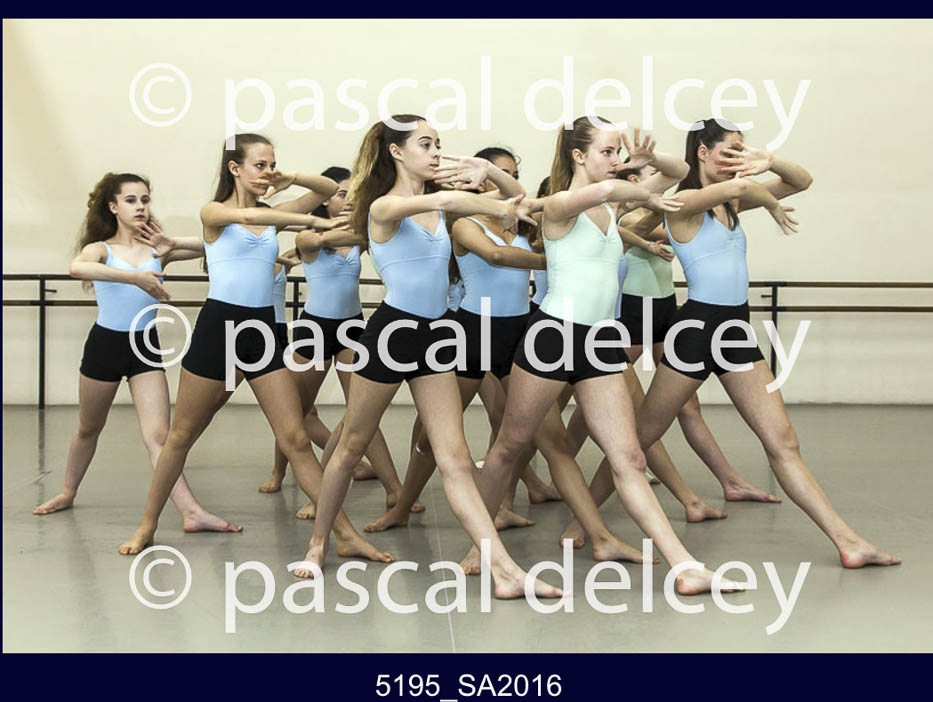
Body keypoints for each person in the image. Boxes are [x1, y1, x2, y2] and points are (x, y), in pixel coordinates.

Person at [469, 118, 741, 595]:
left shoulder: (612, 207)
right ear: (578, 156)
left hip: (600, 343)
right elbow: (601, 191)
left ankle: (685, 567)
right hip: (552, 337)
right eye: (607, 152)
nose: (616, 161)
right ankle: (481, 548)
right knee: (510, 446)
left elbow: (678, 172)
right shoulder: (560, 205)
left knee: (629, 458)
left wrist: (649, 161)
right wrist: (636, 188)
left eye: (619, 152)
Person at [295, 114, 561, 599]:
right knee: (351, 444)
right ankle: (319, 545)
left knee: (455, 459)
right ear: (396, 152)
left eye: (438, 143)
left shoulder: (439, 204)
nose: (436, 152)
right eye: (425, 144)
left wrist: (489, 172)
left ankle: (503, 568)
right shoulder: (385, 205)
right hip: (393, 331)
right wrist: (491, 197)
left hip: (436, 335)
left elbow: (516, 196)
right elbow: (448, 200)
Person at [635, 118, 900, 568]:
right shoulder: (684, 202)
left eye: (743, 150)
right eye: (730, 150)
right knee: (639, 440)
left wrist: (770, 160)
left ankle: (848, 542)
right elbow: (737, 188)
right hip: (695, 330)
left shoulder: (733, 202)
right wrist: (766, 198)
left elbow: (802, 181)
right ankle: (586, 525)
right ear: (702, 152)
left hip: (735, 330)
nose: (739, 158)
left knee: (784, 442)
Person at [118, 133, 392, 565]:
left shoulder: (272, 215)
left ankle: (344, 535)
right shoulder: (214, 213)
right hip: (219, 328)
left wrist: (291, 178)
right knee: (181, 435)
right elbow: (246, 214)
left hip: (261, 331)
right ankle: (148, 524)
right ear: (235, 168)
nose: (268, 172)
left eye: (272, 164)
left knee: (295, 438)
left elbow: (325, 189)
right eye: (260, 165)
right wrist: (308, 222)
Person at [34, 173, 239, 536]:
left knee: (159, 436)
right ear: (113, 207)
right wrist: (134, 278)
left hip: (146, 347)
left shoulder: (159, 249)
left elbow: (216, 246)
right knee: (89, 428)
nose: (141, 206)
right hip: (105, 346)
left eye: (145, 199)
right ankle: (68, 491)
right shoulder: (101, 248)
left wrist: (174, 242)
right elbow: (77, 267)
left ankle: (191, 511)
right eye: (131, 200)